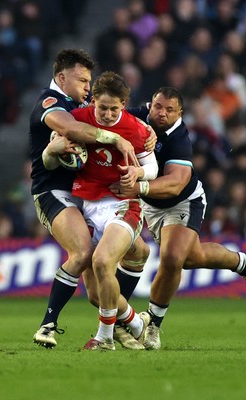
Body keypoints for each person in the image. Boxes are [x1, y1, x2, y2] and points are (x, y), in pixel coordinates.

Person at [110, 87, 246, 350]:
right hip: (150, 204)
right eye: (158, 106)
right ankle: (245, 262)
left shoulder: (180, 138)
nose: (162, 113)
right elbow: (107, 116)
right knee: (193, 257)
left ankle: (153, 326)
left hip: (183, 200)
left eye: (169, 110)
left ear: (180, 113)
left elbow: (175, 183)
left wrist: (137, 187)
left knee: (172, 258)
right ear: (151, 103)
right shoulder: (136, 117)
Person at [30, 48, 152, 349]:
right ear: (62, 77)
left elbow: (111, 111)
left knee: (131, 256)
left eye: (89, 82)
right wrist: (115, 138)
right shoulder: (52, 102)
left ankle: (130, 322)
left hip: (88, 197)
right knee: (85, 254)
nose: (87, 87)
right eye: (83, 80)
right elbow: (70, 129)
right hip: (55, 192)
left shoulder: (82, 104)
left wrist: (144, 127)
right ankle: (48, 324)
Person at [67, 71, 159, 350]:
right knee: (96, 295)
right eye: (102, 107)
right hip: (86, 206)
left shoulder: (137, 129)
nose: (107, 114)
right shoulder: (78, 120)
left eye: (113, 109)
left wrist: (138, 172)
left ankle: (104, 338)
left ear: (124, 104)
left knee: (103, 261)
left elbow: (153, 168)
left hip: (124, 205)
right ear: (92, 100)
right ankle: (136, 323)